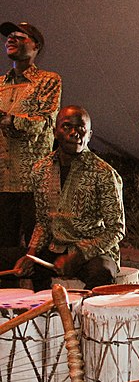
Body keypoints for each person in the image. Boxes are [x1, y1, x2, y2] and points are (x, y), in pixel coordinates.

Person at [13, 105, 125, 291]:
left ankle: (88, 318)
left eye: (81, 128)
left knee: (101, 272)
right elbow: (42, 222)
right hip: (56, 247)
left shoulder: (104, 173)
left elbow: (116, 229)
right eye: (67, 126)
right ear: (55, 132)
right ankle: (43, 317)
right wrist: (31, 255)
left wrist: (78, 255)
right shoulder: (41, 170)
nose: (75, 133)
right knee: (17, 263)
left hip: (92, 252)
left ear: (89, 135)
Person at [0, 21, 61, 278]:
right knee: (4, 254)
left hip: (34, 181)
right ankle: (7, 315)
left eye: (19, 36)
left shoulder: (48, 81)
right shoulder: (0, 83)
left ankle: (43, 311)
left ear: (36, 45)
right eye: (8, 36)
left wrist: (8, 119)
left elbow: (45, 121)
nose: (11, 39)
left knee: (38, 256)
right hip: (3, 182)